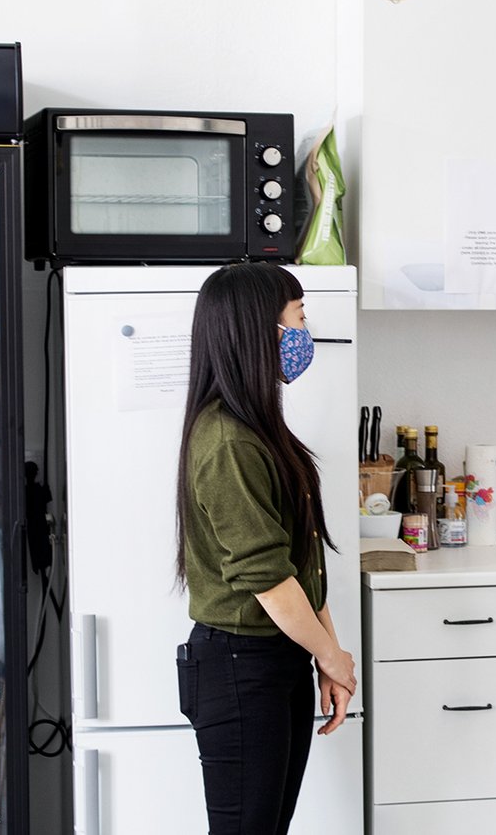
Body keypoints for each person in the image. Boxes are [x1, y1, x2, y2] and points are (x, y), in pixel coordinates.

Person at [172, 262, 355, 834]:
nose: (305, 334)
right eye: (299, 318)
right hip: (238, 666)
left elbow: (300, 563)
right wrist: (330, 655)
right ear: (261, 331)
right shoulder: (227, 440)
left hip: (277, 658)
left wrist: (327, 652)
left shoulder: (256, 430)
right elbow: (268, 579)